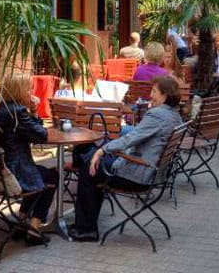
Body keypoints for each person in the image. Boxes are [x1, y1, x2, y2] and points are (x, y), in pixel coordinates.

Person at [70, 76, 184, 242]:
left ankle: (86, 229)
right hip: (155, 173)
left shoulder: (157, 115)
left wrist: (102, 151)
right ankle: (86, 223)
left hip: (138, 175)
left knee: (89, 168)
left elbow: (131, 138)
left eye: (154, 92)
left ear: (164, 95)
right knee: (92, 161)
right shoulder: (175, 116)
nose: (150, 95)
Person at [0, 72, 57, 246]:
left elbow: (30, 134)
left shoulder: (1, 109)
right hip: (17, 172)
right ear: (19, 90)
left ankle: (21, 222)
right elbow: (41, 135)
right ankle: (34, 228)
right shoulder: (18, 112)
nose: (31, 93)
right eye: (28, 89)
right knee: (52, 176)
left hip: (3, 168)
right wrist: (34, 111)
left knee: (41, 174)